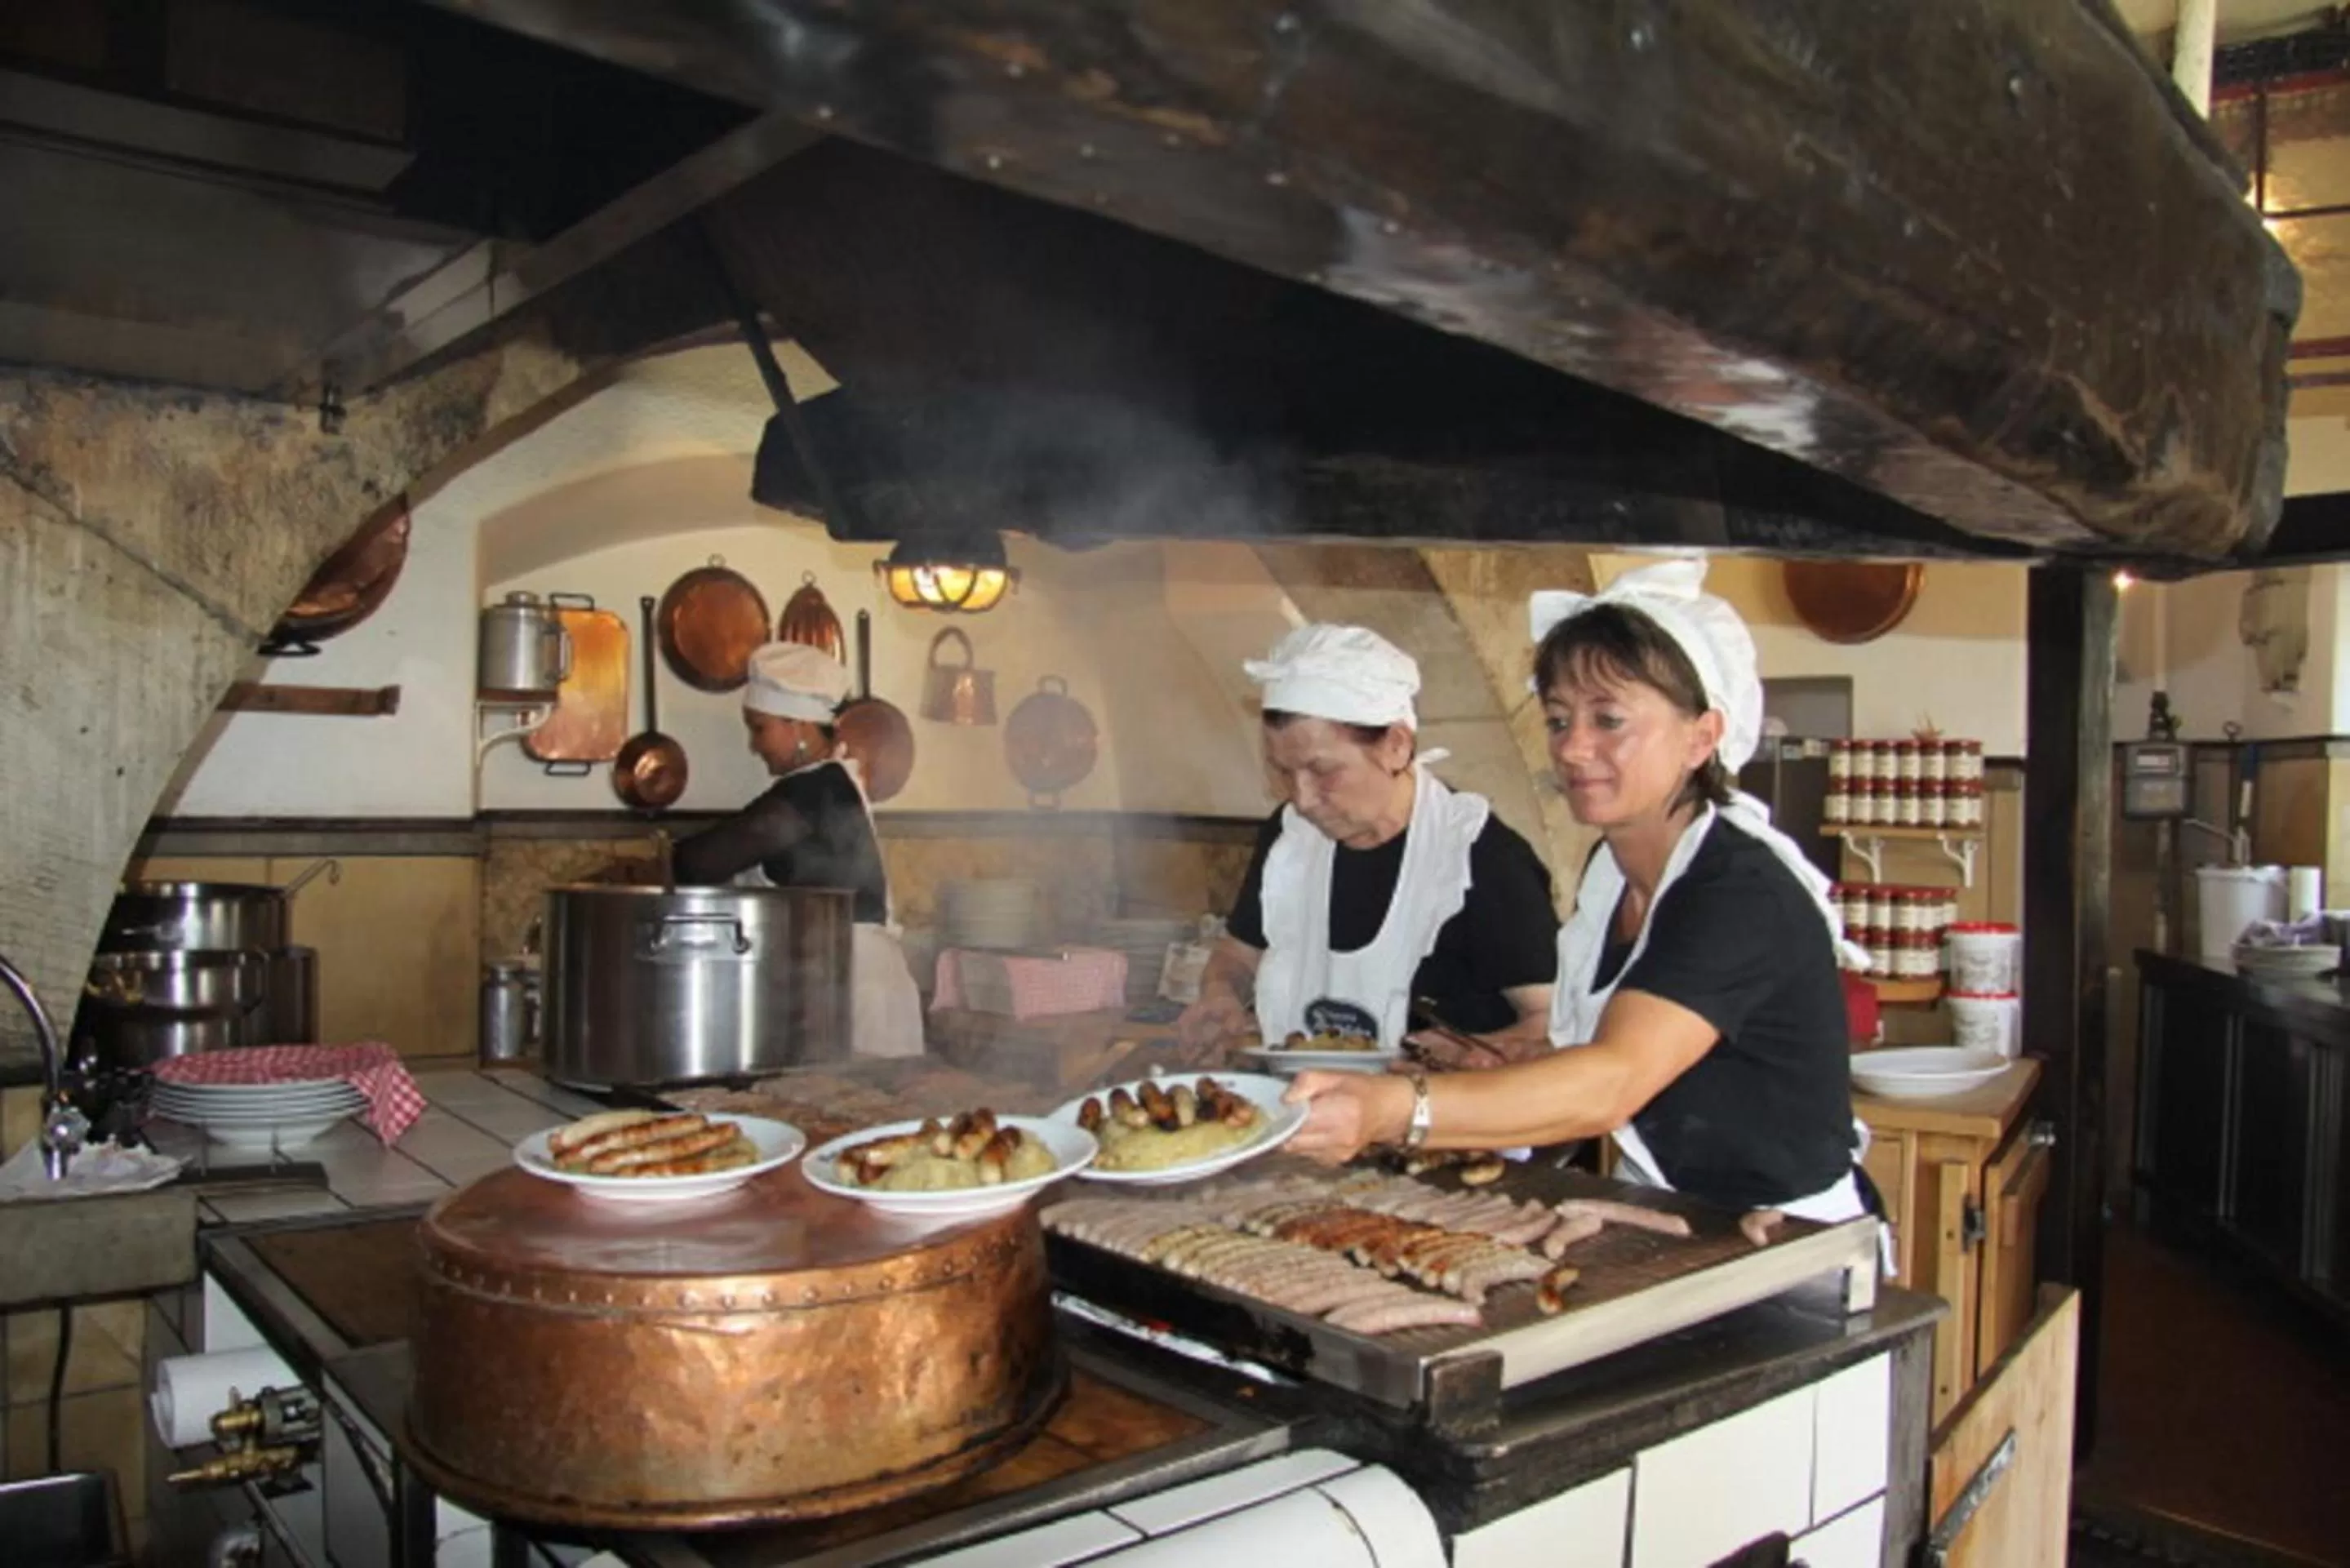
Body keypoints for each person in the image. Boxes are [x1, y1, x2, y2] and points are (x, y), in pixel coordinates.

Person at [1285, 559, 1875, 1223]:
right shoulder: (1612, 870)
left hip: (1787, 1241)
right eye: (1560, 719)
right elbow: (1641, 1048)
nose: (1571, 747)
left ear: (1702, 736)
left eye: (1608, 719)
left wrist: (1393, 1108)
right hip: (1674, 1215)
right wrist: (1517, 1056)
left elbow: (1614, 1081)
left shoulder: (1737, 891)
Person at [1175, 624, 1557, 1060]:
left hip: (1436, 1124)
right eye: (1284, 772)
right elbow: (1238, 954)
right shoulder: (1288, 839)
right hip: (1304, 1111)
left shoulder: (1481, 858)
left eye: (1322, 771)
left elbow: (1551, 1024)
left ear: (1396, 746)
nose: (1302, 799)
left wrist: (1474, 1052)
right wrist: (1220, 993)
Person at [672, 642, 925, 1058]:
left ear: (798, 726)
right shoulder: (824, 783)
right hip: (837, 985)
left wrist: (632, 870)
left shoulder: (815, 789)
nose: (754, 745)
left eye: (759, 727)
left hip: (856, 992)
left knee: (865, 1111)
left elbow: (701, 861)